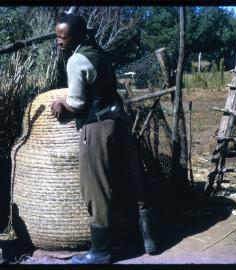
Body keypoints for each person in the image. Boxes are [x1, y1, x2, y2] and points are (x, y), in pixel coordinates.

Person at [51, 14, 158, 264]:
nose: (58, 41)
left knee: (95, 188)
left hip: (96, 128)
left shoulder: (76, 59)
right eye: (57, 36)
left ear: (77, 35)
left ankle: (100, 253)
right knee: (129, 180)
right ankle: (148, 238)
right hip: (118, 122)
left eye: (62, 37)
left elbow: (77, 103)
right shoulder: (99, 52)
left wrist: (60, 104)